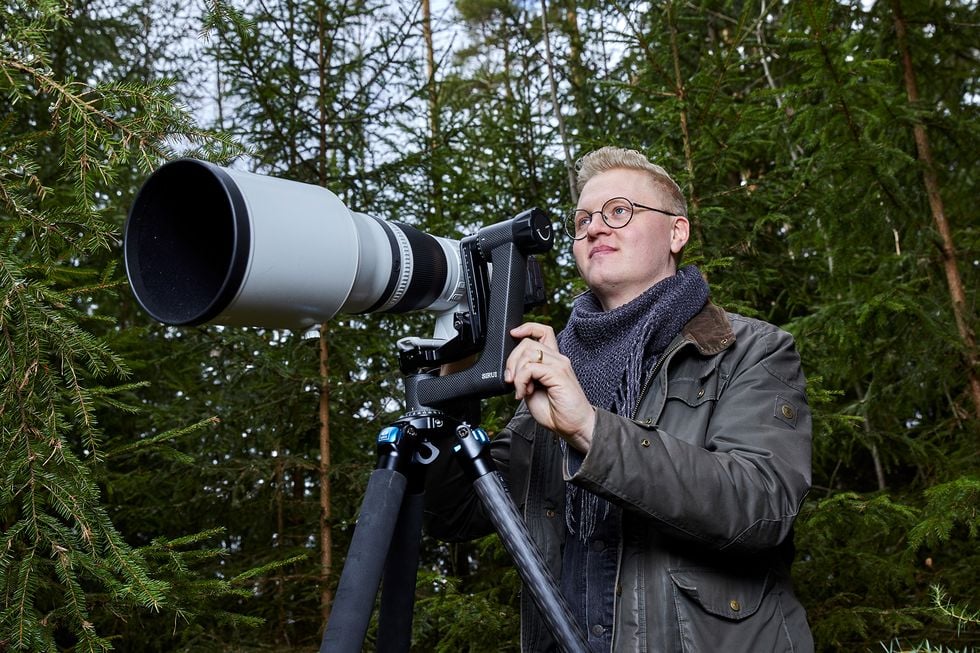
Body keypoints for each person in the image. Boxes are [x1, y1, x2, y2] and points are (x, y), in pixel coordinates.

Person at [424, 146, 813, 652]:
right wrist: (456, 371)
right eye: (583, 219)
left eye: (619, 211)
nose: (595, 229)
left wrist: (590, 429)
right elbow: (458, 514)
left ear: (677, 233)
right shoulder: (554, 366)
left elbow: (762, 507)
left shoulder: (750, 351)